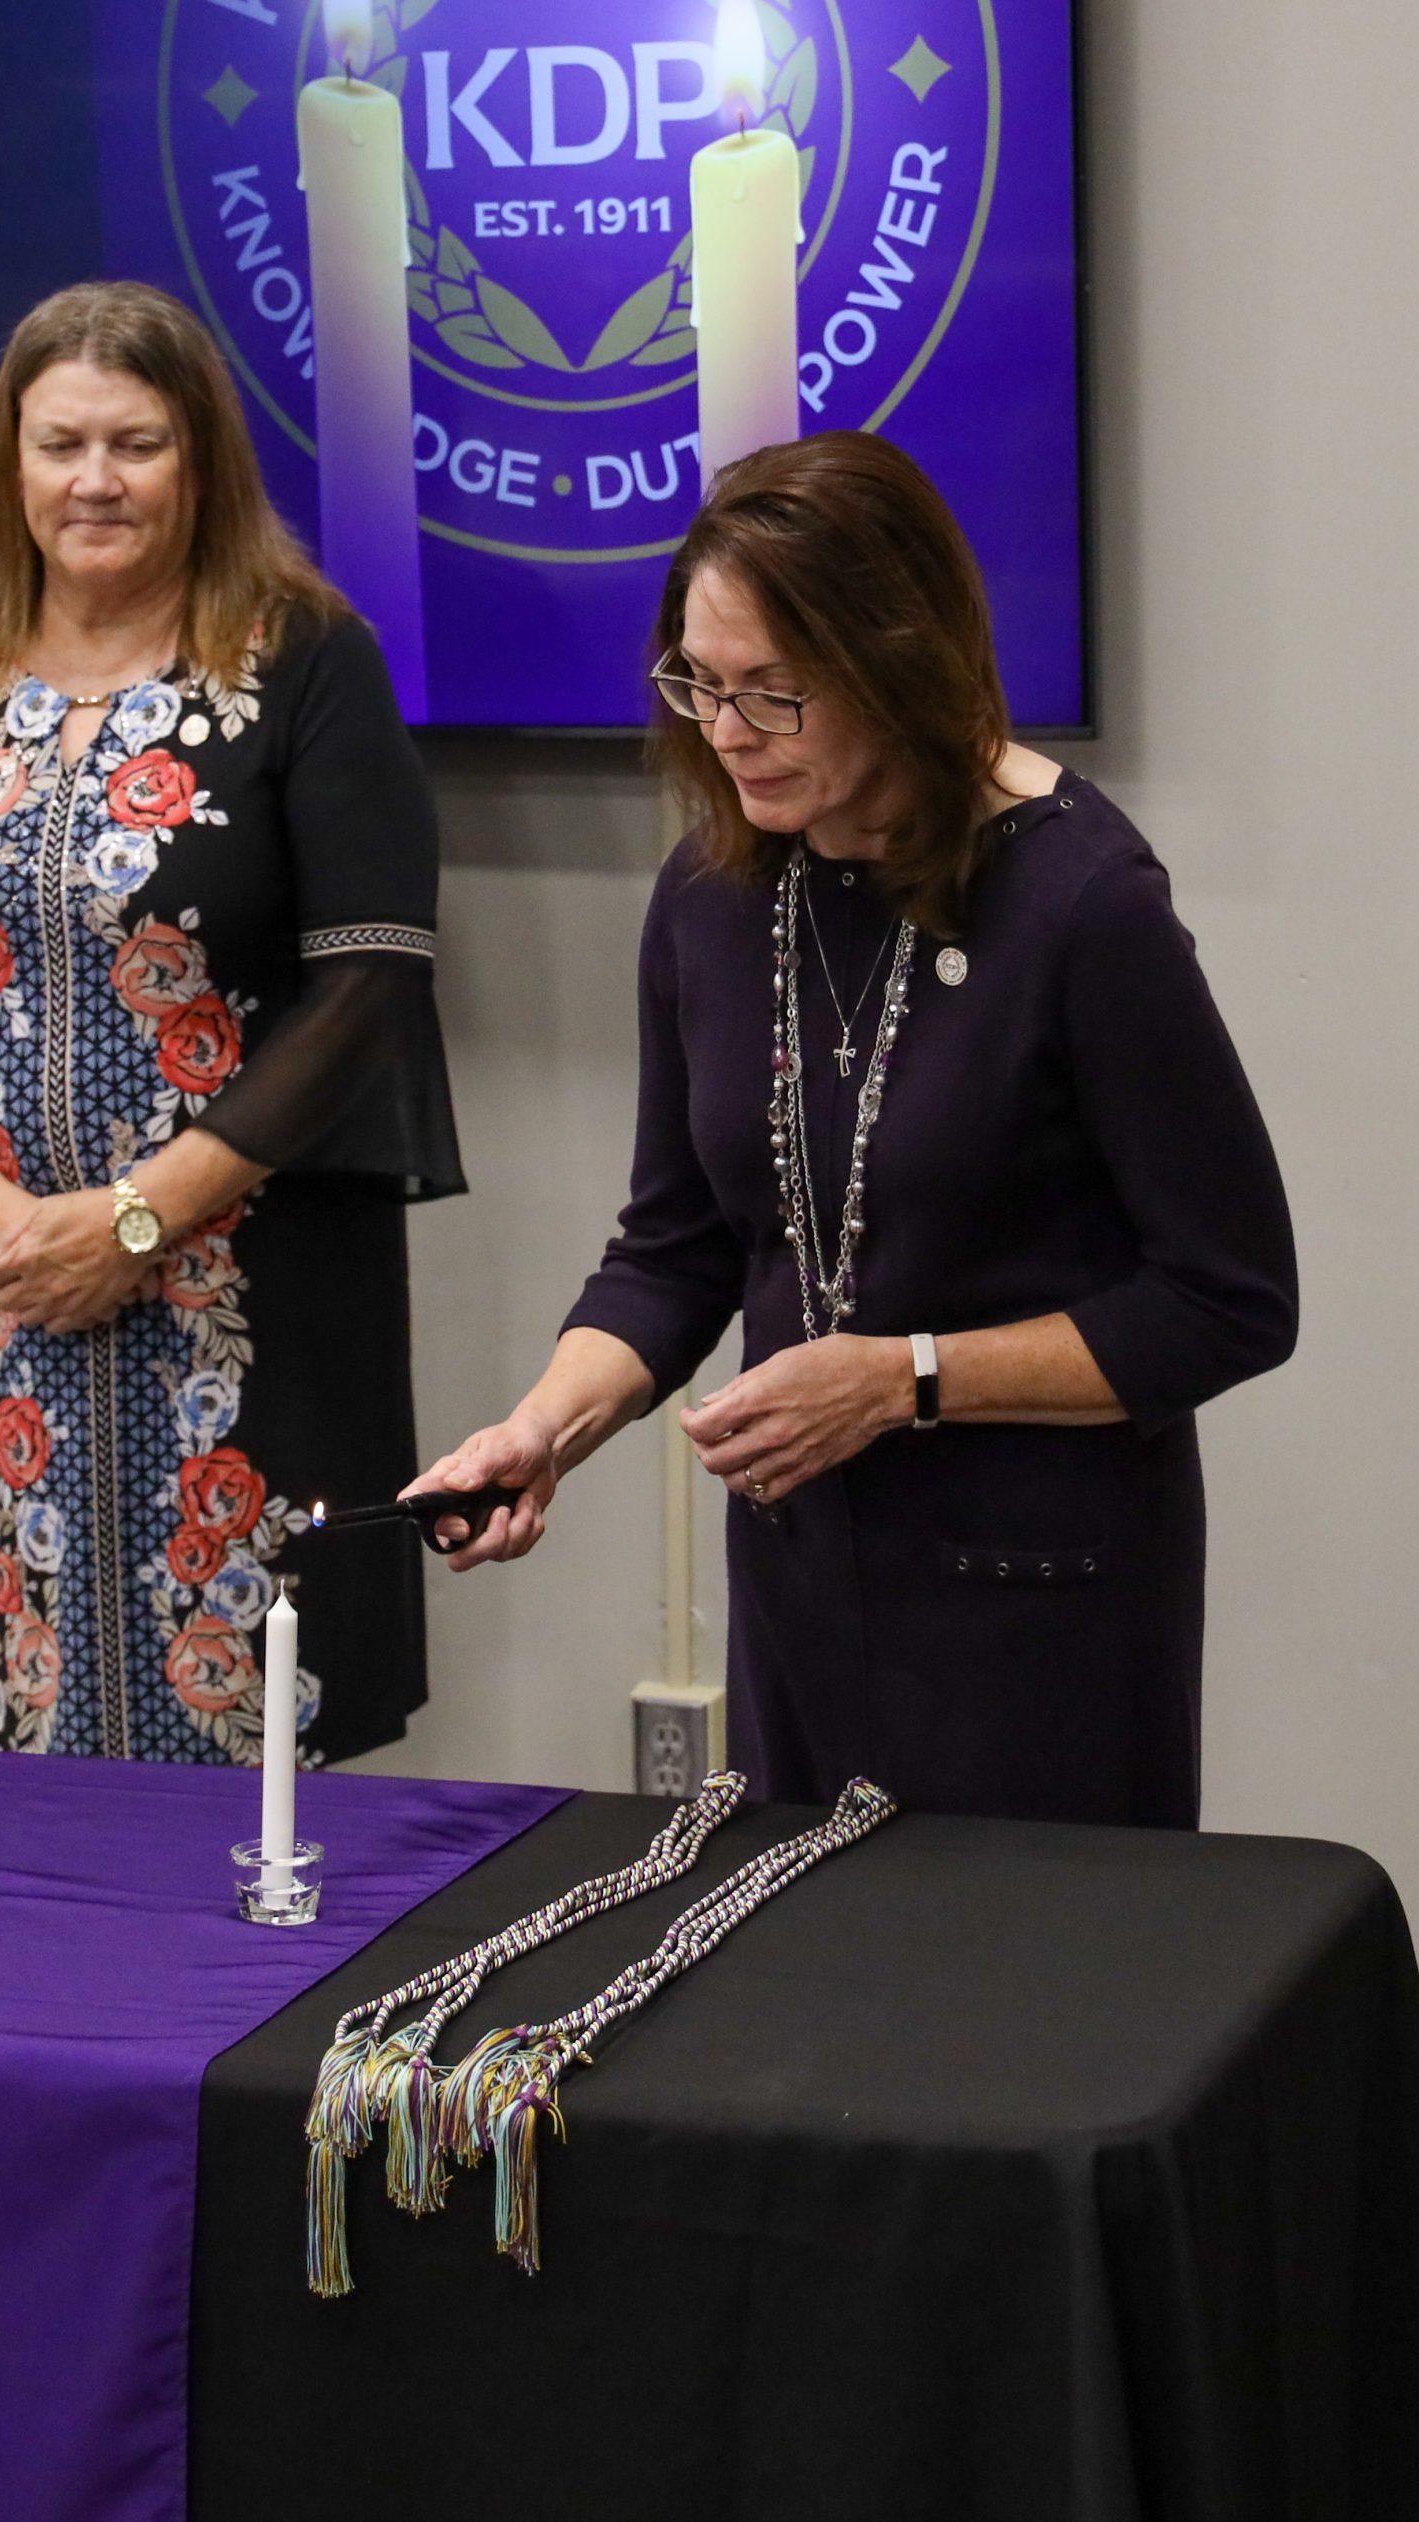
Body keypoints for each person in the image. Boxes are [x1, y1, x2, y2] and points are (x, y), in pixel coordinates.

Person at [414, 433, 1295, 1827]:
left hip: (1042, 1616)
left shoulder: (1081, 904)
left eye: (777, 693)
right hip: (806, 1600)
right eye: (700, 683)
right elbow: (678, 1248)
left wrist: (905, 1378)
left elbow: (1228, 1302)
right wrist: (540, 1431)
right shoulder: (709, 902)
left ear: (902, 666)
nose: (728, 732)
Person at [0, 281, 463, 1766]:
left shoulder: (306, 665)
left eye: (137, 443)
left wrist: (145, 1222)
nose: (94, 480)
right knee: (40, 1710)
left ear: (201, 461)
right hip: (13, 1297)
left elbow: (369, 983)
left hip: (256, 1284)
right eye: (61, 444)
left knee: (272, 1724)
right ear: (11, 465)